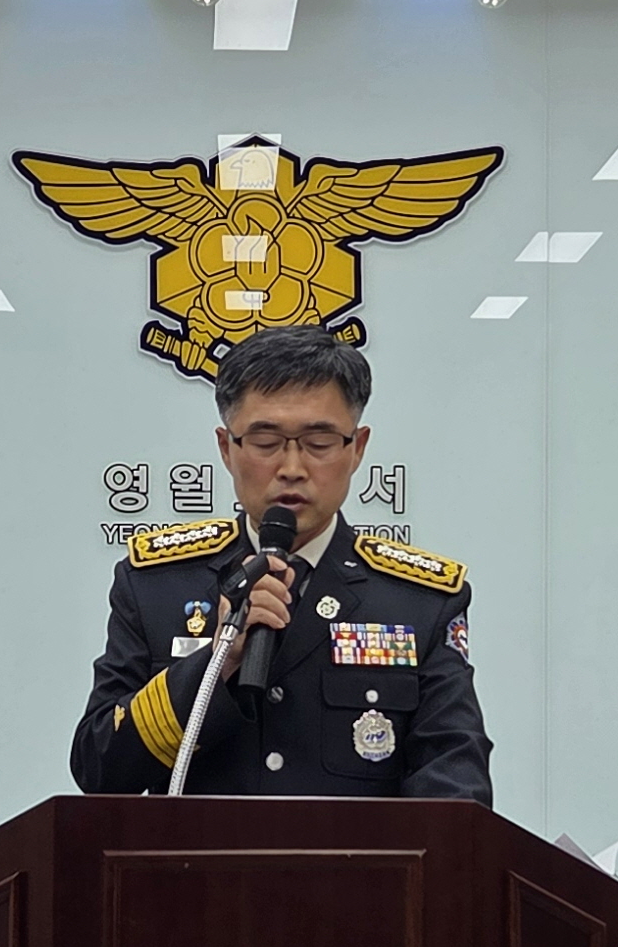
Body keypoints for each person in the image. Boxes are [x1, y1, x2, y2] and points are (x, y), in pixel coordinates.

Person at [70, 329, 491, 803]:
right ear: (227, 448)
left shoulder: (420, 602)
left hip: (356, 855)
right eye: (266, 441)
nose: (292, 467)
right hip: (199, 855)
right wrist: (220, 660)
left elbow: (456, 783)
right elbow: (99, 767)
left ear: (357, 448)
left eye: (319, 441)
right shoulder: (155, 586)